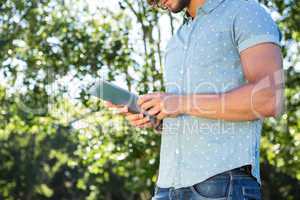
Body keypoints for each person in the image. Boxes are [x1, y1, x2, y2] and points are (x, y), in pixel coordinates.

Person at [104, 0, 284, 199]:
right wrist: (157, 118)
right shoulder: (176, 41)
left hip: (223, 184)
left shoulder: (245, 11)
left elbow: (268, 98)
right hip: (166, 188)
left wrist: (179, 103)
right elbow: (188, 111)